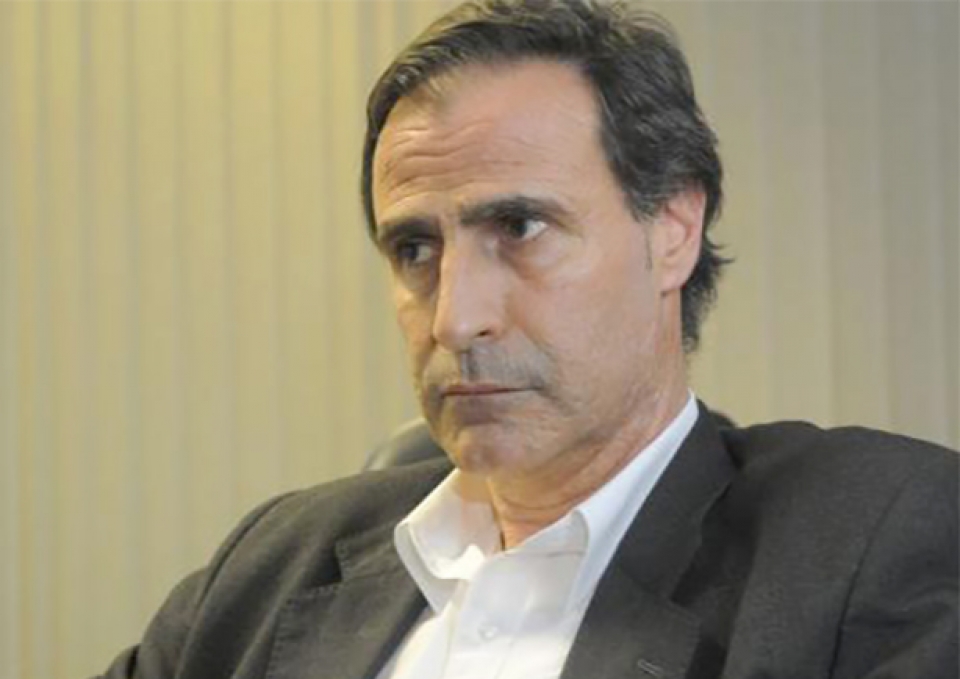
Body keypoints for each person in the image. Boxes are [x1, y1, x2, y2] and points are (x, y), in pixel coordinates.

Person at [97, 1, 958, 677]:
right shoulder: (272, 566)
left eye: (519, 227)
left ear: (672, 231)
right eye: (415, 249)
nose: (453, 319)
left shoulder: (873, 540)